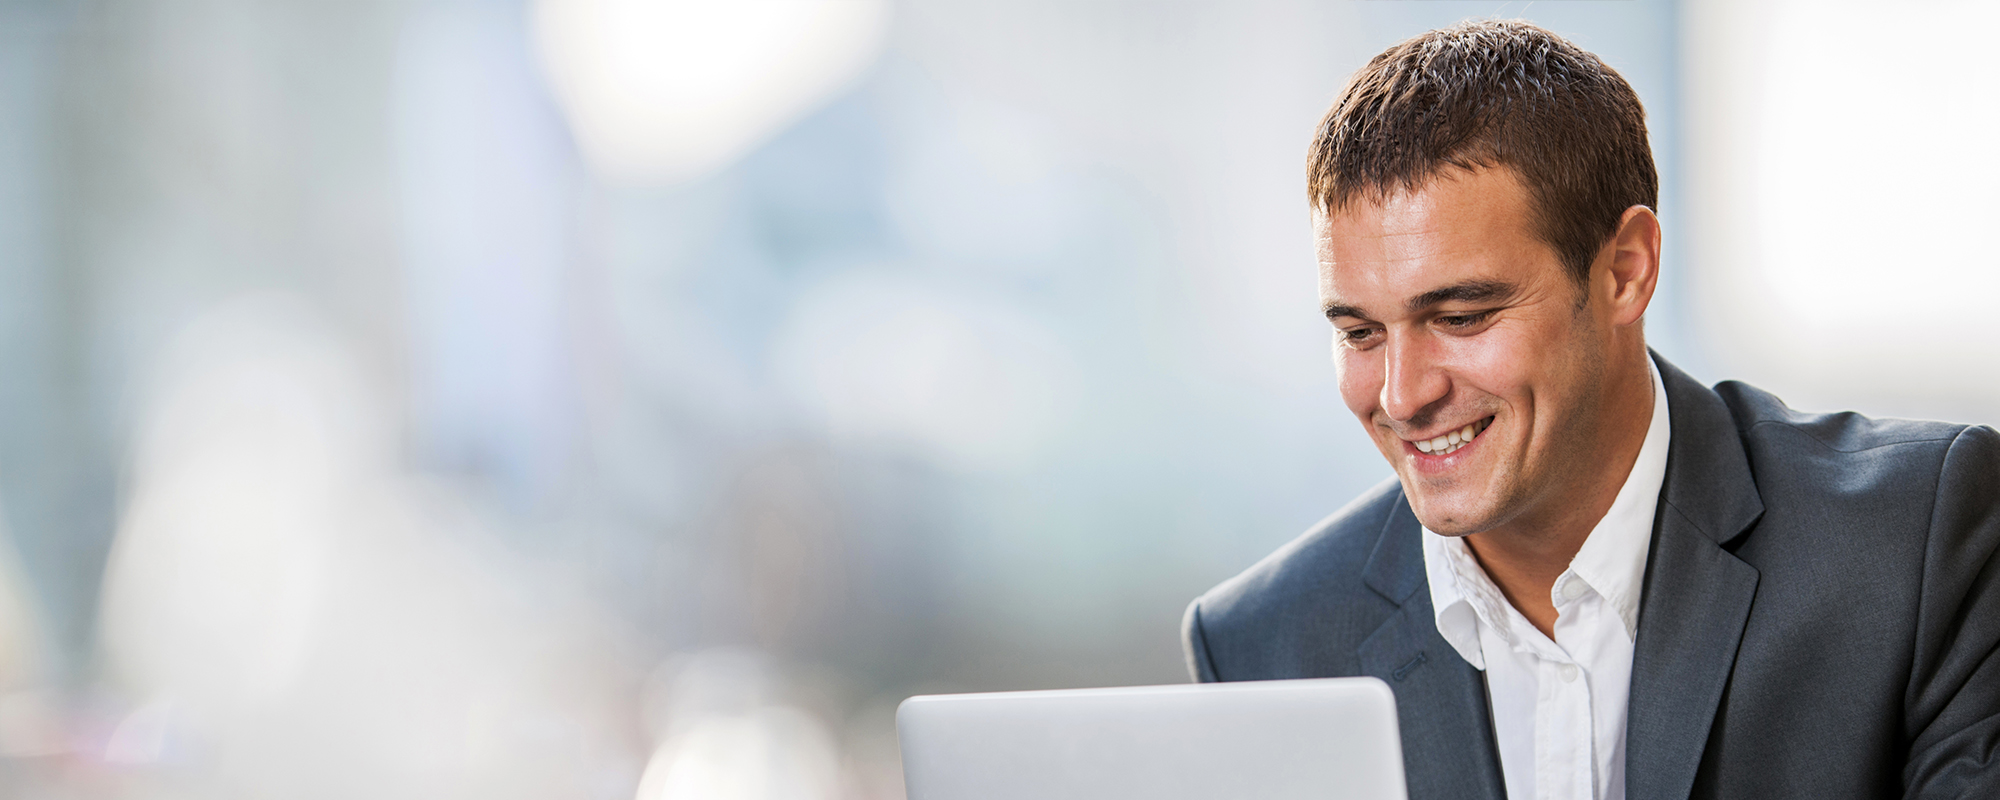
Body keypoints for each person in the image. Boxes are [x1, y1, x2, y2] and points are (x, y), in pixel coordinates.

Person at [1180, 19, 2000, 800]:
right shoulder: (1265, 645)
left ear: (1625, 272)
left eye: (1461, 318)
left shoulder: (1913, 544)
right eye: (1360, 333)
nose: (1402, 395)